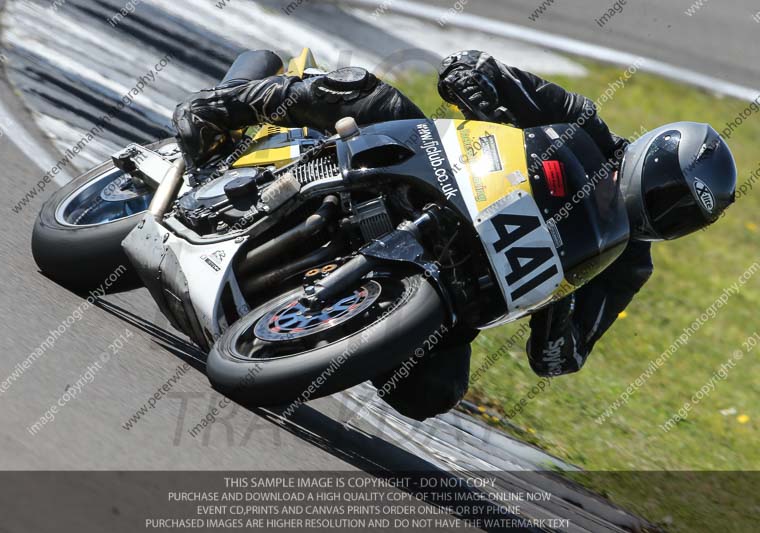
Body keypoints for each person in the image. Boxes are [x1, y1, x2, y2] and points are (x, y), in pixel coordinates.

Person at [173, 49, 737, 420]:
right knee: (368, 95)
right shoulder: (582, 121)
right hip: (431, 177)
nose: (666, 215)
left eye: (682, 216)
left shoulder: (629, 263)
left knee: (433, 393)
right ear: (649, 158)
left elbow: (560, 359)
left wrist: (561, 310)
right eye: (668, 196)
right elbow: (471, 67)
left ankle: (331, 329)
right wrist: (481, 94)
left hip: (463, 279)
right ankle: (218, 109)